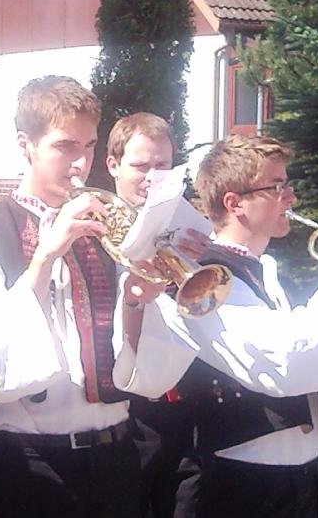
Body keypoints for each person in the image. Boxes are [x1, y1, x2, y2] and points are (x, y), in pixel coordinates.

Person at [0, 76, 179, 518]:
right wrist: (45, 257)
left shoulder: (110, 228)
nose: (81, 163)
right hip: (30, 461)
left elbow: (141, 369)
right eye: (65, 146)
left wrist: (136, 301)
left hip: (116, 455)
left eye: (89, 146)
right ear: (25, 145)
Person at [116, 134, 318, 518]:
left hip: (303, 479)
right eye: (276, 187)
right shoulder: (202, 279)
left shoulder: (268, 270)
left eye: (288, 184)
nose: (290, 197)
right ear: (234, 203)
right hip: (241, 485)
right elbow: (287, 362)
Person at [106, 112, 197, 518]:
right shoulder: (90, 229)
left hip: (187, 409)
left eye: (163, 167)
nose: (152, 178)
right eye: (141, 166)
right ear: (113, 165)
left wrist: (205, 259)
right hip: (121, 413)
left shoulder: (189, 228)